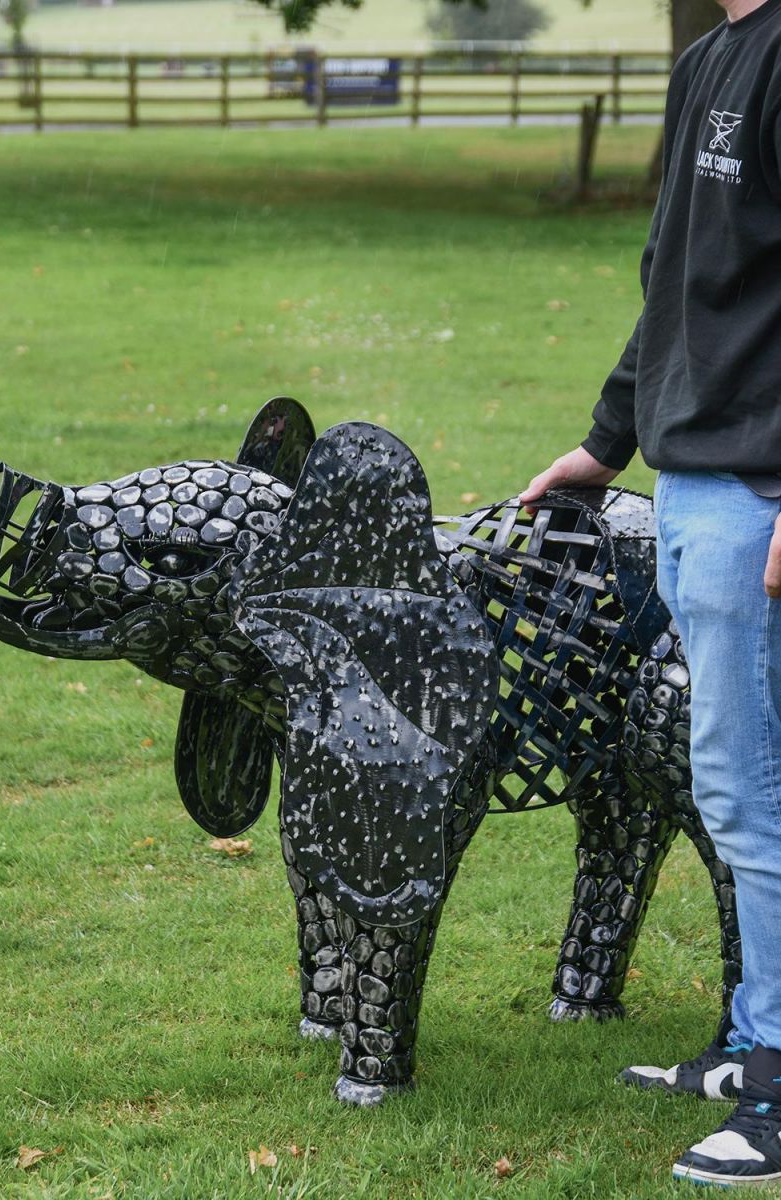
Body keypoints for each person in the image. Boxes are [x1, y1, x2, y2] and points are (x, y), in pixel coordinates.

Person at [520, 0, 781, 1186]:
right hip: (692, 482)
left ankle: (779, 1084)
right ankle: (753, 1041)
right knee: (736, 789)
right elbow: (672, 280)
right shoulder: (710, 57)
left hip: (757, 494)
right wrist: (607, 440)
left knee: (754, 789)